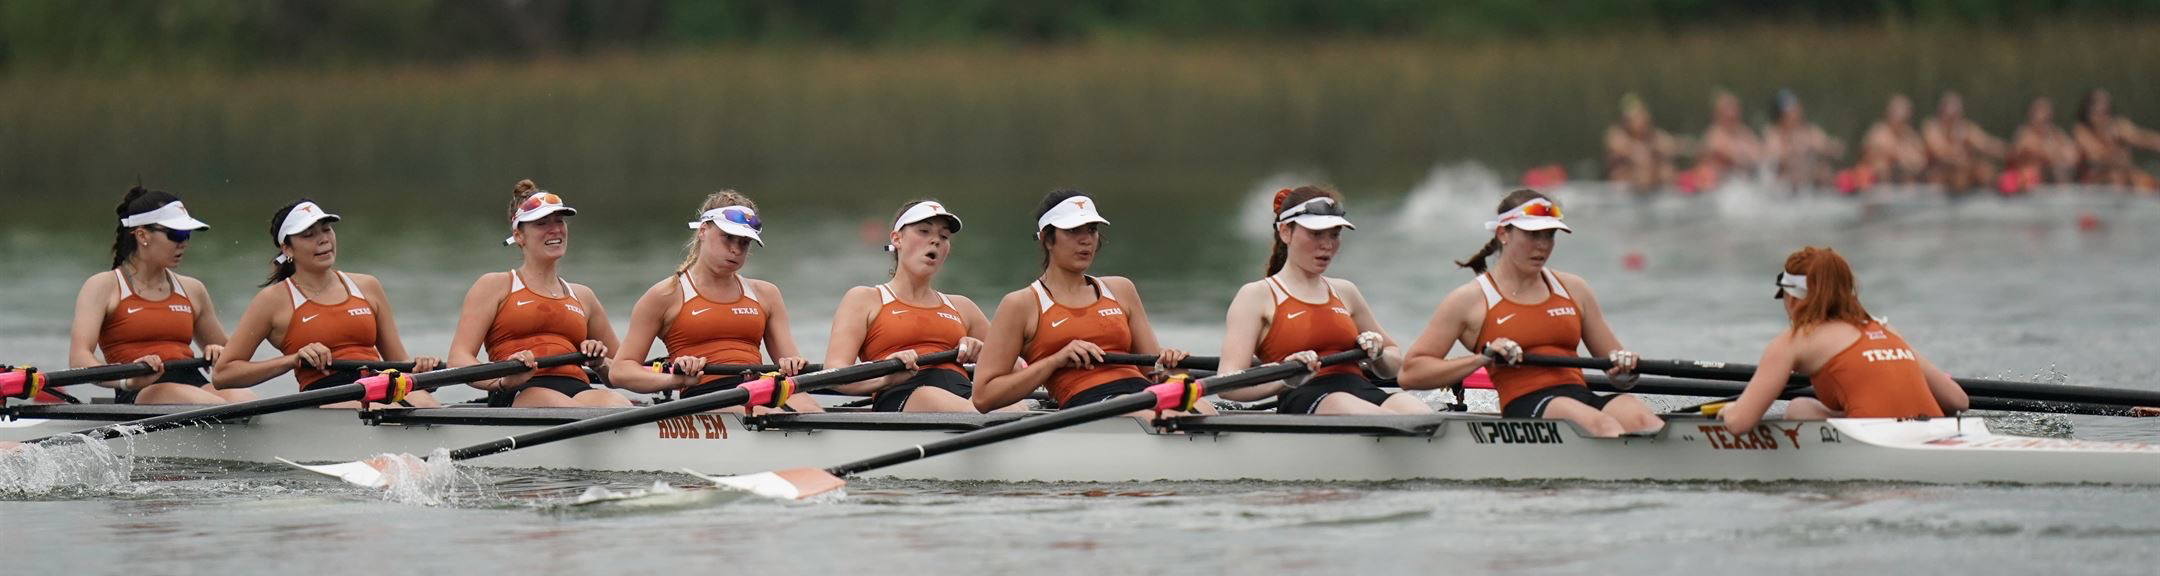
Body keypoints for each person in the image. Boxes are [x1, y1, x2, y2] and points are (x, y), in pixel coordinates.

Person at [1398, 189, 1657, 437]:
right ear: (1503, 233)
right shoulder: (1469, 300)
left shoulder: (1575, 289)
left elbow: (1620, 376)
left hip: (1580, 396)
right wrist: (1482, 359)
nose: (1543, 246)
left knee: (1642, 419)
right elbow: (1410, 374)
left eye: (1549, 235)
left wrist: (1626, 369)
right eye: (1533, 235)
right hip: (1525, 406)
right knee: (1601, 426)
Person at [970, 190, 1208, 415]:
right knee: (1151, 413)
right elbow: (983, 397)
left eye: (1092, 229)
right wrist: (1056, 360)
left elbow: (1152, 372)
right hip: (1087, 404)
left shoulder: (1121, 289)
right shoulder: (1021, 304)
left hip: (1142, 394)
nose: (1086, 240)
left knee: (1206, 409)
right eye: (1074, 230)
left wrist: (1171, 366)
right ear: (1046, 239)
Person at [1214, 186, 1427, 415]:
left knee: (1422, 416)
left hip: (1362, 389)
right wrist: (1287, 377)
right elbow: (1228, 385)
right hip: (1305, 397)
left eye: (1334, 234)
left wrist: (1379, 354)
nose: (1327, 245)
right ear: (1286, 232)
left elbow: (1394, 364)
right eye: (1316, 234)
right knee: (1357, 408)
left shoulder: (1345, 291)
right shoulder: (1255, 296)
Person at [210, 200, 441, 409]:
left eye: (326, 230)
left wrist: (419, 365)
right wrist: (293, 359)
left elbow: (399, 361)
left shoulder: (368, 286)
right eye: (308, 234)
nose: (323, 239)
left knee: (429, 407)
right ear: (287, 249)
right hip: (327, 394)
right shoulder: (272, 301)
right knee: (390, 411)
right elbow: (223, 375)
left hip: (380, 381)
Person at [606, 191, 820, 414]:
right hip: (703, 397)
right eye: (727, 237)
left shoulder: (766, 294)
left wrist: (792, 364)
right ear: (702, 231)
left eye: (744, 242)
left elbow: (789, 359)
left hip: (758, 389)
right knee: (768, 414)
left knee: (810, 408)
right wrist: (675, 379)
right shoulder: (665, 295)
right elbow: (620, 371)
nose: (736, 250)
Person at [1718, 247, 1968, 433]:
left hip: (1874, 441)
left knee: (1799, 408)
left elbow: (1740, 424)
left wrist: (1731, 411)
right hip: (1936, 432)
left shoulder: (1794, 341)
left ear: (1793, 298)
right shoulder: (1886, 329)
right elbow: (1958, 400)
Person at [448, 180, 624, 408]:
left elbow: (623, 370)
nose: (556, 229)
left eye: (559, 221)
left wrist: (600, 363)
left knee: (618, 404)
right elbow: (459, 359)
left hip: (578, 389)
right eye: (542, 223)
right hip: (518, 390)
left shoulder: (584, 296)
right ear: (519, 236)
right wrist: (502, 380)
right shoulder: (495, 285)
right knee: (567, 409)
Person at [67, 186, 245, 405]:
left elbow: (234, 360)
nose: (184, 243)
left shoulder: (192, 289)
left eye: (187, 235)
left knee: (246, 400)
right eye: (176, 234)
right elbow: (79, 359)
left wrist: (219, 352)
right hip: (140, 389)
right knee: (216, 405)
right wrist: (127, 380)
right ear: (142, 235)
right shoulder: (103, 286)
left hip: (193, 382)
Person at [819, 200, 1000, 412]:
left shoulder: (962, 306)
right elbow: (833, 374)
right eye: (924, 231)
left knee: (1015, 404)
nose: (936, 241)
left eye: (944, 236)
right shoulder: (864, 299)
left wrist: (984, 355)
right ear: (897, 239)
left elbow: (1014, 368)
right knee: (933, 397)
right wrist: (885, 378)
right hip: (903, 395)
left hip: (964, 395)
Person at [2073, 89, 2160, 190]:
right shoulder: (2081, 131)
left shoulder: (2118, 125)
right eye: (2095, 106)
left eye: (2104, 109)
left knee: (2149, 182)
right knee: (2116, 177)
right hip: (2096, 182)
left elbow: (2141, 138)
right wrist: (2119, 157)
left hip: (2127, 176)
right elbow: (2094, 157)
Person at [1921, 91, 2007, 193]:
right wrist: (1958, 150)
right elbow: (1937, 151)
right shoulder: (1932, 127)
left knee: (1984, 170)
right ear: (1941, 110)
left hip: (1963, 173)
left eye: (1957, 111)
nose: (1954, 115)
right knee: (1958, 172)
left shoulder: (1965, 128)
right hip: (1940, 173)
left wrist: (2007, 150)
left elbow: (1985, 143)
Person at [1763, 89, 1846, 189]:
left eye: (1796, 109)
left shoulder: (1809, 131)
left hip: (1808, 190)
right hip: (1785, 190)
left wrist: (1829, 148)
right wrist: (1795, 149)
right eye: (1792, 111)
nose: (1796, 114)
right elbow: (1774, 160)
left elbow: (1835, 150)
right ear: (1781, 115)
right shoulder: (1774, 134)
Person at [1687, 90, 1765, 191]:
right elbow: (1722, 155)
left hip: (1742, 183)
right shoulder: (1713, 134)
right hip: (1719, 186)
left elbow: (1760, 155)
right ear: (1718, 114)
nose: (1732, 114)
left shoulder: (1744, 133)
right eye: (1727, 110)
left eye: (1734, 110)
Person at [1604, 93, 1680, 194]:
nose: (1640, 121)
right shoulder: (1617, 135)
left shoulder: (1652, 135)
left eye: (1641, 116)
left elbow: (1669, 145)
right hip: (1624, 189)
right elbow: (1630, 151)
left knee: (1666, 171)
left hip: (1651, 185)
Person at [1853, 93, 1928, 187]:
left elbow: (1920, 161)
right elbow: (1878, 155)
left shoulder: (1910, 136)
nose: (1901, 115)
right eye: (1897, 111)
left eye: (1905, 111)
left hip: (1905, 186)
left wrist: (1905, 160)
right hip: (1877, 185)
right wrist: (1902, 157)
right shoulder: (1878, 132)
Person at [2008, 96, 2081, 187]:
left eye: (2046, 111)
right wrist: (2052, 153)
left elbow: (2072, 154)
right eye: (2038, 111)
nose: (2042, 115)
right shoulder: (2024, 133)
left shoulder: (2056, 133)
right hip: (2029, 180)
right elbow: (2023, 151)